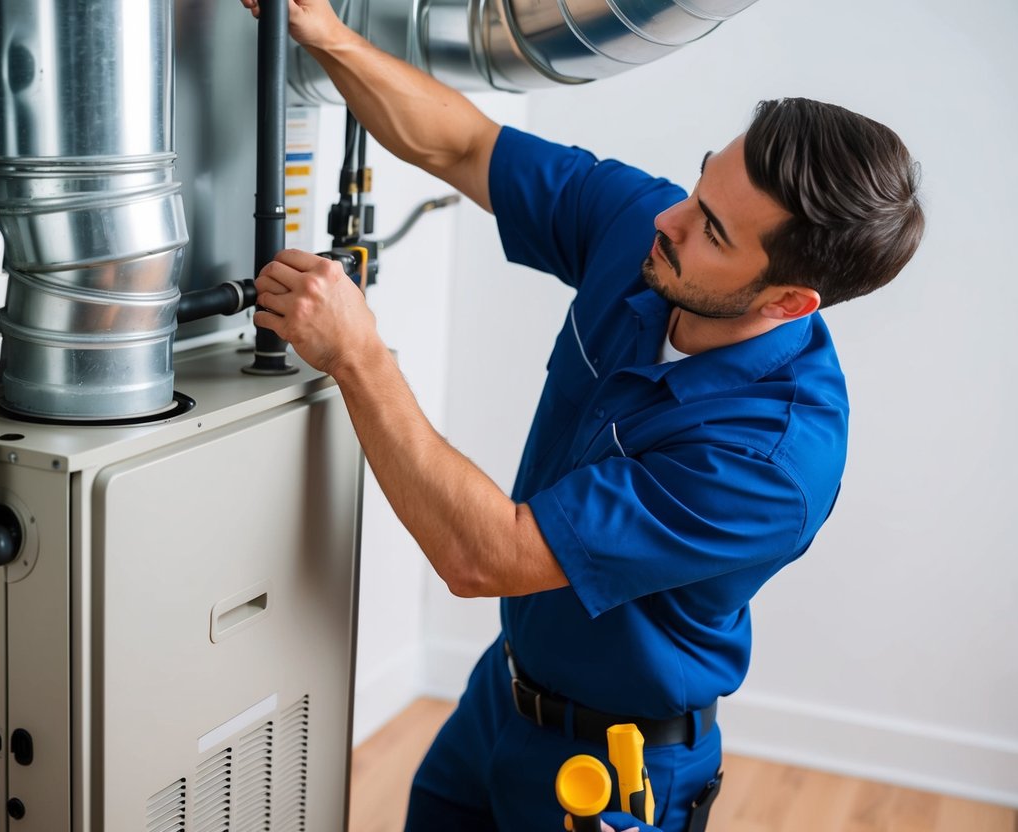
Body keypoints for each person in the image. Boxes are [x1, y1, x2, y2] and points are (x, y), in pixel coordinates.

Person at [240, 0, 925, 829]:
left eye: (710, 229)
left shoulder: (768, 461)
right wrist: (325, 32)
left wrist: (357, 354)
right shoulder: (653, 236)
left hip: (614, 768)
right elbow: (462, 145)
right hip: (500, 695)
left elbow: (483, 555)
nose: (668, 219)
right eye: (700, 180)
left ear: (785, 300)